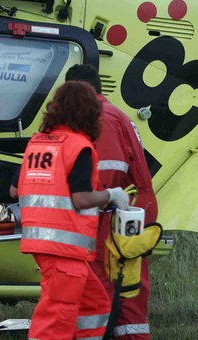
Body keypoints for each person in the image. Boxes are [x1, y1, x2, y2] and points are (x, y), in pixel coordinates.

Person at [18, 81, 131, 340]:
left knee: (93, 305)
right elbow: (80, 199)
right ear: (89, 112)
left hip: (41, 241)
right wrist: (111, 195)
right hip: (63, 246)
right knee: (57, 314)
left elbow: (16, 190)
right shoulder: (79, 146)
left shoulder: (38, 143)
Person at [66, 64, 158, 339]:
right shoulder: (111, 115)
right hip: (126, 211)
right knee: (124, 288)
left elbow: (104, 178)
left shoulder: (101, 120)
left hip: (111, 214)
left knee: (106, 287)